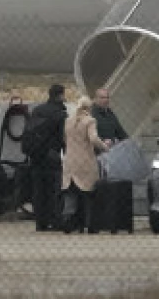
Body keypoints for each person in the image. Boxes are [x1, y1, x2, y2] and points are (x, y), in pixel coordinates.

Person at [61, 96, 108, 234]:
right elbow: (93, 138)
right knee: (88, 193)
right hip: (85, 161)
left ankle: (67, 220)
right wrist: (105, 146)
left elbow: (65, 140)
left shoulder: (68, 121)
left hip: (70, 160)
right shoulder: (90, 121)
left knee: (70, 191)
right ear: (89, 108)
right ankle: (90, 224)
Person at [24, 84, 67, 232]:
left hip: (36, 156)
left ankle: (40, 222)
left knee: (38, 190)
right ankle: (55, 221)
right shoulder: (60, 113)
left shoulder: (37, 110)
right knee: (54, 190)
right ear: (60, 95)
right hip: (52, 156)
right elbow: (63, 137)